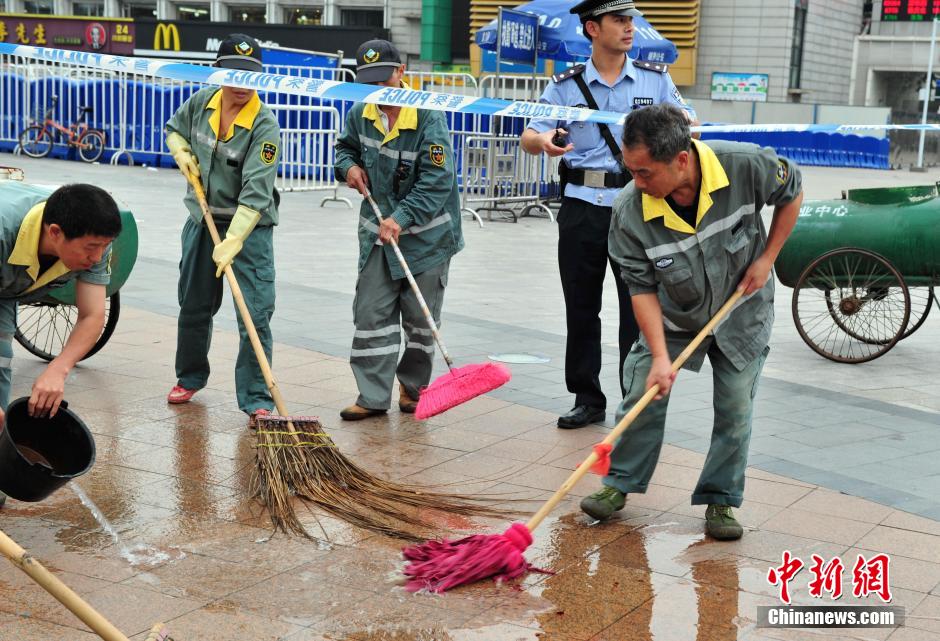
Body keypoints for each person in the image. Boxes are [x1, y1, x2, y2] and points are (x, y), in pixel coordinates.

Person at [580, 103, 803, 540]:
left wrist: (767, 258)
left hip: (743, 310)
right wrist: (662, 358)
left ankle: (721, 499)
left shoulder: (745, 166)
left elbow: (792, 190)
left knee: (735, 408)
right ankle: (618, 484)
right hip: (676, 315)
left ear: (681, 159)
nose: (636, 183)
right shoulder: (630, 211)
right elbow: (640, 287)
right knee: (643, 391)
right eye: (631, 171)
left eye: (645, 173)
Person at [522, 0, 697, 430]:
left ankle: (632, 396)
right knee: (581, 305)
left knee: (636, 305)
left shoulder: (654, 81)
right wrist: (543, 140)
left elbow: (691, 125)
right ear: (592, 29)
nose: (629, 28)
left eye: (630, 21)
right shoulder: (567, 85)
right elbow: (530, 131)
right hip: (583, 205)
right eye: (618, 21)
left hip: (637, 208)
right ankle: (587, 397)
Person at [333, 39, 464, 420]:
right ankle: (372, 396)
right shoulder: (361, 112)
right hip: (377, 233)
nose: (377, 91)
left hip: (427, 238)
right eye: (368, 82)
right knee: (371, 315)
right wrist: (348, 168)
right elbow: (345, 149)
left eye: (383, 80)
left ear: (400, 72)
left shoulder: (428, 117)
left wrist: (402, 218)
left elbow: (438, 181)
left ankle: (413, 387)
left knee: (421, 321)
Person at [163, 33, 281, 424]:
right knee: (193, 304)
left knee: (255, 313)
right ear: (218, 72)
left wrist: (233, 240)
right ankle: (190, 376)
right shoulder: (201, 103)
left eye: (250, 76)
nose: (242, 84)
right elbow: (174, 129)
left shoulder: (264, 125)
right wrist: (181, 152)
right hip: (203, 220)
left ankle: (256, 397)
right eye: (234, 74)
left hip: (249, 230)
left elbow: (256, 192)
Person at [0, 182, 121, 506]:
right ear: (55, 232)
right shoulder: (2, 229)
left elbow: (93, 314)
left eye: (104, 246)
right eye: (90, 247)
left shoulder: (94, 243)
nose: (97, 257)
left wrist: (58, 368)